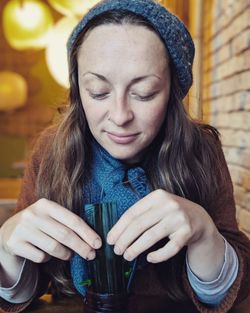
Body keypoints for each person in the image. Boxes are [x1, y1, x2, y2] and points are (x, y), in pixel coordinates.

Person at [0, 0, 249, 312]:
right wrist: (8, 252)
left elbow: (233, 292)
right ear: (78, 89)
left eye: (144, 93)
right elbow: (23, 293)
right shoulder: (51, 151)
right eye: (98, 91)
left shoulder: (200, 151)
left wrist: (203, 235)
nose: (119, 116)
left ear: (172, 91)